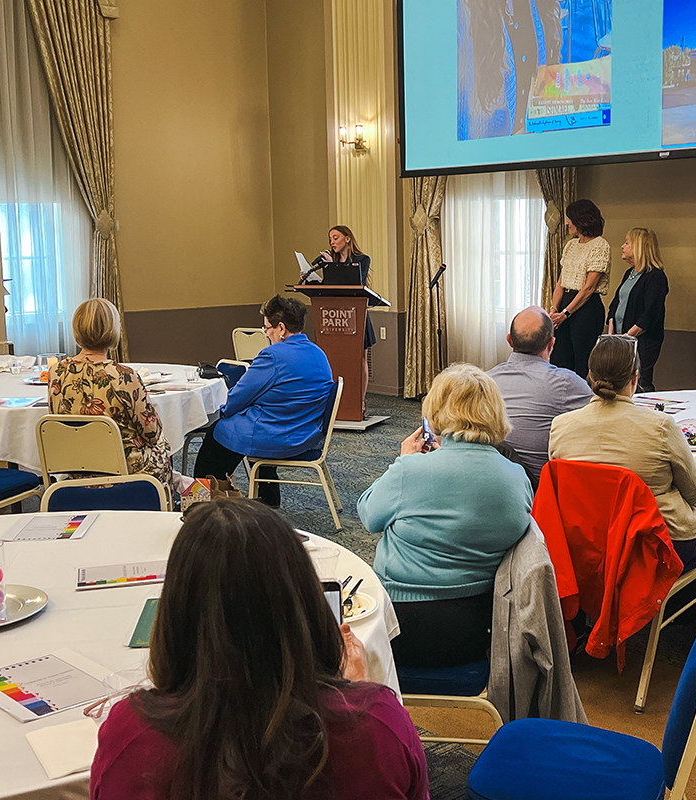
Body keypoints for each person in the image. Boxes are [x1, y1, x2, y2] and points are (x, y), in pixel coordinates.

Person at [89, 499, 429, 800]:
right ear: (304, 603)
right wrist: (358, 698)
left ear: (175, 615)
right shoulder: (377, 727)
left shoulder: (130, 737)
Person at [357, 363, 533, 668]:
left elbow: (369, 515)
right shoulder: (517, 477)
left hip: (399, 626)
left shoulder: (411, 471)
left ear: (436, 411)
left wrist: (402, 462)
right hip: (481, 629)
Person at [548, 335, 696, 568]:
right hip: (656, 541)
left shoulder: (560, 426)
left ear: (590, 376)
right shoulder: (661, 426)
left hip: (588, 542)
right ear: (635, 378)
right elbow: (693, 492)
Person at [193, 295, 334, 507]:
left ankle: (202, 502)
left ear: (281, 328)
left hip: (281, 435)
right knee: (253, 422)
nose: (266, 334)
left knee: (218, 432)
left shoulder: (272, 355)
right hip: (306, 432)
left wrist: (222, 412)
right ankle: (268, 496)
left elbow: (239, 397)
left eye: (267, 329)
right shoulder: (318, 353)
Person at [48, 298, 172, 487]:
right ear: (113, 330)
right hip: (125, 473)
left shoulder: (56, 373)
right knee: (163, 444)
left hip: (78, 470)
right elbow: (151, 433)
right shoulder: (124, 376)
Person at [487, 306, 591, 487]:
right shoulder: (566, 384)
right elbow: (603, 416)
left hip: (489, 484)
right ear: (551, 344)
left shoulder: (484, 382)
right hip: (537, 496)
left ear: (509, 341)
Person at [548, 199, 611, 378]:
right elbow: (561, 281)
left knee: (582, 362)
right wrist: (554, 309)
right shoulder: (570, 245)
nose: (567, 222)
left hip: (586, 309)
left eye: (570, 218)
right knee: (559, 360)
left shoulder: (600, 245)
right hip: (564, 306)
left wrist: (566, 313)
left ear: (581, 219)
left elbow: (589, 287)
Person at [606, 227, 669, 393]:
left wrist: (627, 337)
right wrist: (612, 326)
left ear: (638, 247)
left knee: (640, 385)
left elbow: (650, 314)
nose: (622, 246)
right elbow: (616, 302)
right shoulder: (629, 273)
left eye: (627, 243)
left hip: (642, 343)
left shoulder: (655, 276)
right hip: (621, 341)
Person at [320, 224, 374, 410]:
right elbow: (330, 289)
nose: (332, 242)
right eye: (330, 239)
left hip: (357, 314)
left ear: (347, 238)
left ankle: (360, 401)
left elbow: (356, 283)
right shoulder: (330, 262)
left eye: (335, 238)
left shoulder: (362, 259)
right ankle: (337, 403)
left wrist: (334, 267)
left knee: (359, 359)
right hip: (336, 317)